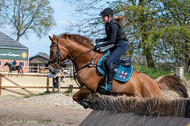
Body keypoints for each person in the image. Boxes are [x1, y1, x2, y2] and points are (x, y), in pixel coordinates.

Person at [94, 8, 128, 92]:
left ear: (109, 16)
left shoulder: (113, 25)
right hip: (117, 45)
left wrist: (100, 45)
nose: (102, 18)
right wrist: (101, 40)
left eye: (103, 17)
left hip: (121, 46)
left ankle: (109, 85)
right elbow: (109, 38)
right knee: (103, 56)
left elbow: (112, 41)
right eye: (102, 17)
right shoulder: (107, 24)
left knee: (108, 62)